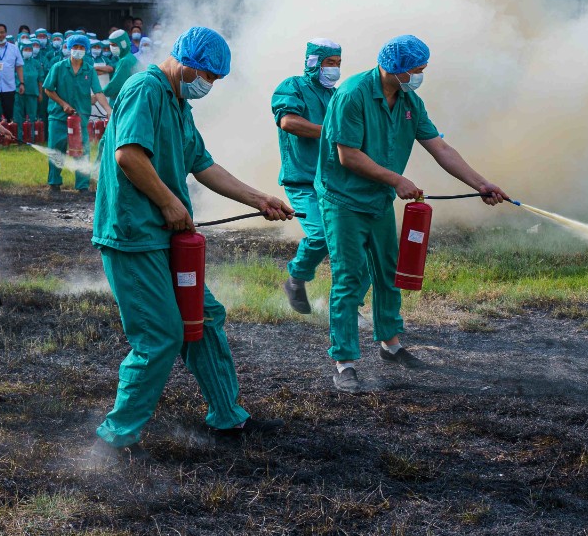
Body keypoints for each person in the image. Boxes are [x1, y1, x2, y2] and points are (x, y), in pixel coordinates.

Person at [92, 26, 294, 456]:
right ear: (186, 62)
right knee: (161, 334)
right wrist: (168, 202)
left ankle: (227, 416)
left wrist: (259, 199)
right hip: (134, 235)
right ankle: (115, 437)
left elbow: (202, 164)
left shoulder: (179, 102)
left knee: (204, 316)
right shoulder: (145, 90)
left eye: (216, 79)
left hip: (170, 237)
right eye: (208, 75)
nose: (210, 85)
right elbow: (128, 155)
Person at [316, 35, 510, 393]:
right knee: (349, 277)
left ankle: (390, 345)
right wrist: (397, 180)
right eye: (416, 70)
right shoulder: (352, 95)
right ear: (393, 68)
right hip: (343, 200)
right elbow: (348, 155)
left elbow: (441, 148)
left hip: (377, 199)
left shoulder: (409, 101)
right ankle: (344, 363)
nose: (420, 76)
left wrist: (482, 183)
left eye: (422, 69)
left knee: (389, 271)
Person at [272, 39, 342, 314]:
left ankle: (348, 305)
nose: (334, 69)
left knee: (350, 244)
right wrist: (329, 132)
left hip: (333, 182)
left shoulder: (336, 95)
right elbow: (288, 122)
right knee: (321, 235)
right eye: (329, 63)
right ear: (313, 63)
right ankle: (296, 279)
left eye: (338, 63)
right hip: (302, 181)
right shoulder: (293, 87)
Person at [42, 33, 107, 192]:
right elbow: (48, 89)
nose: (78, 50)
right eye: (75, 47)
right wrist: (63, 104)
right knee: (56, 149)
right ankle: (54, 183)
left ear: (86, 49)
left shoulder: (89, 70)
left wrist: (108, 110)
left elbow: (98, 92)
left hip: (80, 117)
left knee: (82, 150)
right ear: (69, 48)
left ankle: (82, 185)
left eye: (81, 47)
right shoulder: (58, 67)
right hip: (58, 116)